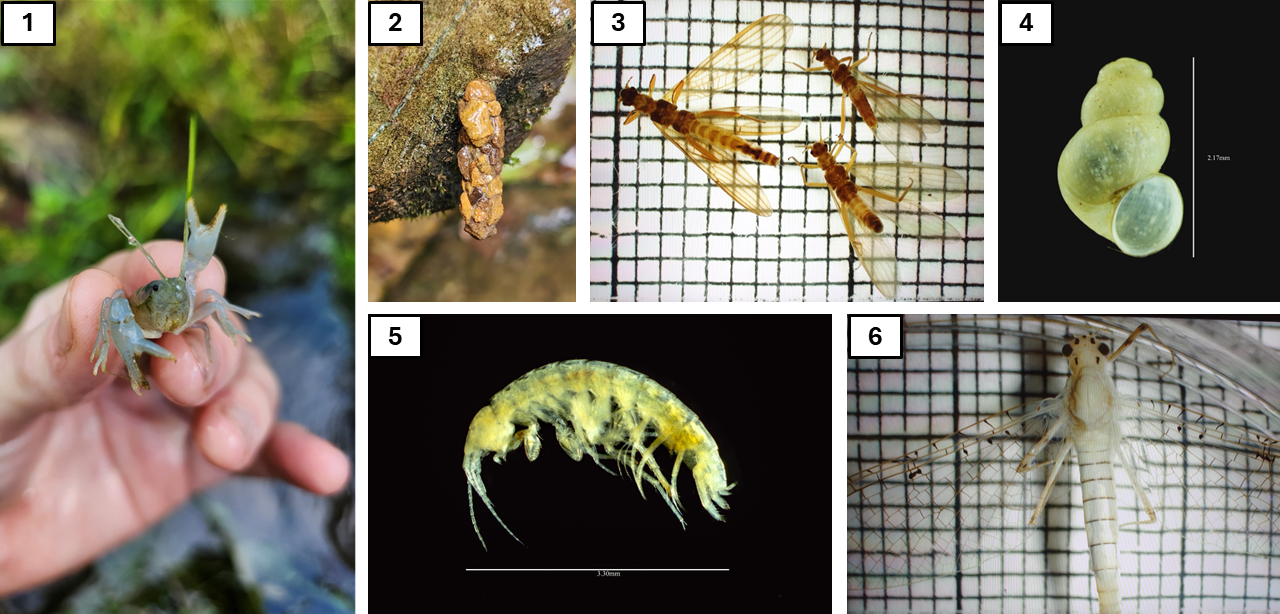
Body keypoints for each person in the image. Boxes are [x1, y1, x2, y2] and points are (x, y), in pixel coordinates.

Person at [0, 238, 351, 596]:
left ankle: (213, 356)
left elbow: (211, 299)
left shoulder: (182, 296)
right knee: (108, 303)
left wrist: (226, 334)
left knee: (209, 304)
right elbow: (114, 319)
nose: (165, 294)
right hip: (126, 357)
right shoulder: (126, 309)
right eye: (156, 289)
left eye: (169, 288)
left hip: (153, 426)